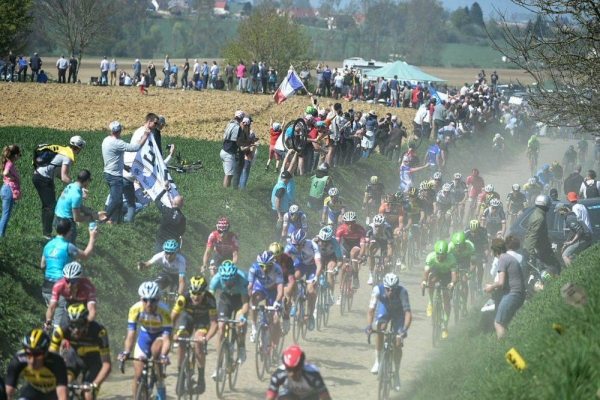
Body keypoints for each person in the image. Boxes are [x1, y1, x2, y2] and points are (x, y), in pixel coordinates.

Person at [118, 282, 171, 400]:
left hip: (160, 335)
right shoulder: (134, 309)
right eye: (145, 300)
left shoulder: (165, 310)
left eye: (153, 300)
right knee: (137, 374)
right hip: (145, 336)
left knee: (156, 351)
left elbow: (167, 338)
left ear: (158, 299)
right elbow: (131, 334)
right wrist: (126, 351)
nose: (149, 304)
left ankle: (160, 384)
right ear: (140, 298)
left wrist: (163, 355)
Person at [49, 304, 112, 400]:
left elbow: (106, 364)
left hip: (94, 361)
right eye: (72, 325)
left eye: (79, 324)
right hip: (74, 359)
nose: (76, 329)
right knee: (62, 389)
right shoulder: (62, 330)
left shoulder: (99, 331)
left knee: (87, 394)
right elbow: (50, 357)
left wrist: (95, 384)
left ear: (87, 322)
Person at [171, 276, 217, 395]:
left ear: (204, 292)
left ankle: (201, 379)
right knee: (181, 342)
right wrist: (172, 333)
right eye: (194, 293)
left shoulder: (210, 299)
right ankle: (180, 378)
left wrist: (206, 338)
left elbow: (214, 323)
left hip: (202, 320)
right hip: (187, 319)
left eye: (199, 294)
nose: (196, 297)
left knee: (198, 343)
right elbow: (172, 317)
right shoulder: (183, 298)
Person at [33, 136, 86, 239]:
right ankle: (47, 234)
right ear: (78, 147)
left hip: (39, 177)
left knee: (49, 206)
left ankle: (49, 232)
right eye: (81, 148)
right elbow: (64, 177)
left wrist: (70, 184)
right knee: (50, 206)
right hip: (43, 179)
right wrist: (79, 187)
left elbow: (58, 174)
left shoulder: (64, 150)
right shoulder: (68, 156)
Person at [366, 273, 411, 391]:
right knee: (380, 326)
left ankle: (396, 373)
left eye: (393, 289)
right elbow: (371, 310)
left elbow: (407, 313)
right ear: (384, 287)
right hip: (385, 309)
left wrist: (404, 330)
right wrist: (370, 326)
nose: (390, 292)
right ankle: (378, 360)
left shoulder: (402, 292)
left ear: (397, 288)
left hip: (398, 313)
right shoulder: (377, 290)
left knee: (397, 342)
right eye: (387, 289)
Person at [101, 121, 150, 223]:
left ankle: (115, 220)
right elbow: (135, 148)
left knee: (117, 200)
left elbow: (113, 158)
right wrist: (145, 136)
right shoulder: (118, 143)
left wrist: (124, 166)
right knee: (115, 200)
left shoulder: (106, 140)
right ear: (120, 130)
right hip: (115, 176)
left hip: (108, 173)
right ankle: (104, 219)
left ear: (111, 131)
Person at [208, 261, 250, 378]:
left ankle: (241, 347)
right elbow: (210, 299)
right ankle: (219, 366)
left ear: (235, 276)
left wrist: (242, 316)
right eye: (225, 280)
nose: (228, 282)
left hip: (239, 300)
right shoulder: (216, 279)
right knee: (221, 327)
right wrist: (211, 314)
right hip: (225, 299)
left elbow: (245, 302)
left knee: (239, 323)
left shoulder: (242, 278)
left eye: (230, 280)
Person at [6, 329, 68, 400]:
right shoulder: (18, 360)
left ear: (45, 353)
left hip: (53, 394)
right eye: (28, 354)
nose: (32, 360)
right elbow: (8, 393)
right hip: (33, 391)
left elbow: (62, 397)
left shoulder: (56, 362)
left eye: (37, 354)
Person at [484, 235, 525, 339]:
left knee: (498, 323)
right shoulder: (508, 257)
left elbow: (501, 282)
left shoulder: (502, 259)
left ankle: (503, 350)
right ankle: (509, 345)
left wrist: (491, 287)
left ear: (494, 251)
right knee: (505, 323)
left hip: (513, 294)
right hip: (518, 293)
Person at [285, 229, 323, 331]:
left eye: (299, 245)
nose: (296, 247)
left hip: (312, 266)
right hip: (300, 265)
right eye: (295, 245)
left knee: (311, 290)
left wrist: (316, 277)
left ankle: (310, 316)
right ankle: (294, 301)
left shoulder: (312, 245)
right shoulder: (289, 247)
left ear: (304, 242)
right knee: (292, 279)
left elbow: (319, 264)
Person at [247, 251, 284, 351]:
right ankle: (254, 328)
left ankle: (275, 345)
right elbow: (250, 287)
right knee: (254, 299)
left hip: (273, 291)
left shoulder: (277, 269)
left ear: (272, 264)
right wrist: (247, 300)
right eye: (262, 266)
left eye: (267, 266)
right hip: (261, 288)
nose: (264, 269)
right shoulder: (254, 268)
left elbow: (280, 290)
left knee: (275, 320)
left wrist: (277, 302)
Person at [266, 345, 331, 400]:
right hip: (290, 395)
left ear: (302, 366)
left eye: (295, 369)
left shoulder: (313, 374)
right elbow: (271, 396)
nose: (292, 373)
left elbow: (325, 397)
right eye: (289, 369)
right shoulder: (278, 374)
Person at [422, 240, 457, 339]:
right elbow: (426, 272)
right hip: (436, 272)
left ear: (446, 253)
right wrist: (424, 281)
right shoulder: (431, 257)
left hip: (447, 275)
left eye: (443, 255)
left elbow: (454, 275)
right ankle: (431, 302)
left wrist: (452, 283)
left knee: (446, 300)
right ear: (435, 253)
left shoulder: (451, 259)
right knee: (431, 279)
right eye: (438, 255)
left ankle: (444, 326)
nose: (440, 257)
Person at [45, 262, 97, 329]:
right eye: (67, 280)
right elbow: (51, 307)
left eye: (73, 281)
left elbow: (92, 310)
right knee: (60, 332)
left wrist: (86, 323)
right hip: (68, 309)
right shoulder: (59, 286)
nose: (69, 284)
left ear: (80, 279)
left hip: (84, 311)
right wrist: (48, 320)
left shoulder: (88, 287)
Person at [54, 170, 99, 243]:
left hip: (57, 218)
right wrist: (91, 217)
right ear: (86, 181)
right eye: (89, 181)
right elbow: (77, 218)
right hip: (66, 222)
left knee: (60, 243)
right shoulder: (77, 195)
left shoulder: (71, 185)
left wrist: (90, 211)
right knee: (69, 246)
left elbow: (77, 206)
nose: (89, 183)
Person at [522, 194, 560, 275]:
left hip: (540, 247)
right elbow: (533, 235)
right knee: (554, 267)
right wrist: (530, 253)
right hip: (540, 249)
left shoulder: (537, 213)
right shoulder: (540, 217)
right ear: (544, 205)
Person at [154, 187, 186, 253]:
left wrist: (164, 190)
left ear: (172, 202)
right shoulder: (182, 218)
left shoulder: (166, 211)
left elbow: (157, 200)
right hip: (172, 244)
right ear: (182, 206)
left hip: (160, 241)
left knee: (158, 260)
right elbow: (182, 232)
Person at [1, 145, 21, 237]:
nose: (19, 157)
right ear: (15, 155)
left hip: (7, 189)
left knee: (6, 214)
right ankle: (1, 236)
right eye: (19, 154)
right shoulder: (10, 163)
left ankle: (2, 235)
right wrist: (12, 177)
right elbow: (5, 173)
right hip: (8, 190)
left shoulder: (8, 163)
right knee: (6, 215)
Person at [221, 111, 245, 188]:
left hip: (223, 151)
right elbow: (238, 142)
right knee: (229, 175)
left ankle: (225, 191)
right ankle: (225, 194)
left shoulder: (230, 124)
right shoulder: (237, 128)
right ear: (241, 119)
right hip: (229, 153)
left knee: (228, 174)